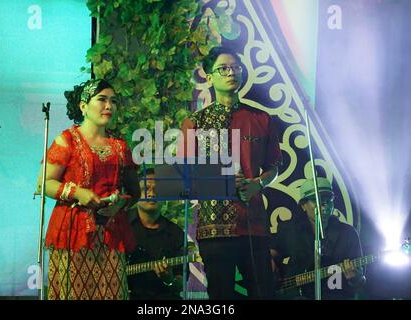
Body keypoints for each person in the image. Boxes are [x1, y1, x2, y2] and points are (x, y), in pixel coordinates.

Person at [180, 46, 283, 299]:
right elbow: (184, 177)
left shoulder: (261, 118)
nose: (230, 73)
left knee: (263, 293)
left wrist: (258, 183)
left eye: (235, 68)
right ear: (209, 75)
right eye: (223, 69)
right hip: (214, 229)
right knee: (221, 296)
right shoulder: (195, 122)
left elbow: (274, 167)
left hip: (254, 224)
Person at [36, 79, 140, 300]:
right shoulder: (67, 141)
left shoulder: (120, 146)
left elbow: (134, 193)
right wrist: (78, 193)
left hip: (110, 233)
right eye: (101, 100)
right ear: (83, 106)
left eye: (113, 101)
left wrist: (119, 203)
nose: (109, 106)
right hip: (73, 232)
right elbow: (43, 183)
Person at [270, 177, 365, 300]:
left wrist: (355, 278)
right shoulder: (290, 229)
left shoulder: (347, 233)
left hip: (334, 294)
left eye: (328, 200)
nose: (324, 206)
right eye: (317, 201)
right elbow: (271, 253)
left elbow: (359, 283)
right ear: (303, 205)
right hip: (294, 295)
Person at [126, 168, 186, 300]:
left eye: (158, 190)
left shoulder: (176, 233)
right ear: (136, 193)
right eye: (145, 189)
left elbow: (180, 285)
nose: (152, 194)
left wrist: (169, 279)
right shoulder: (121, 226)